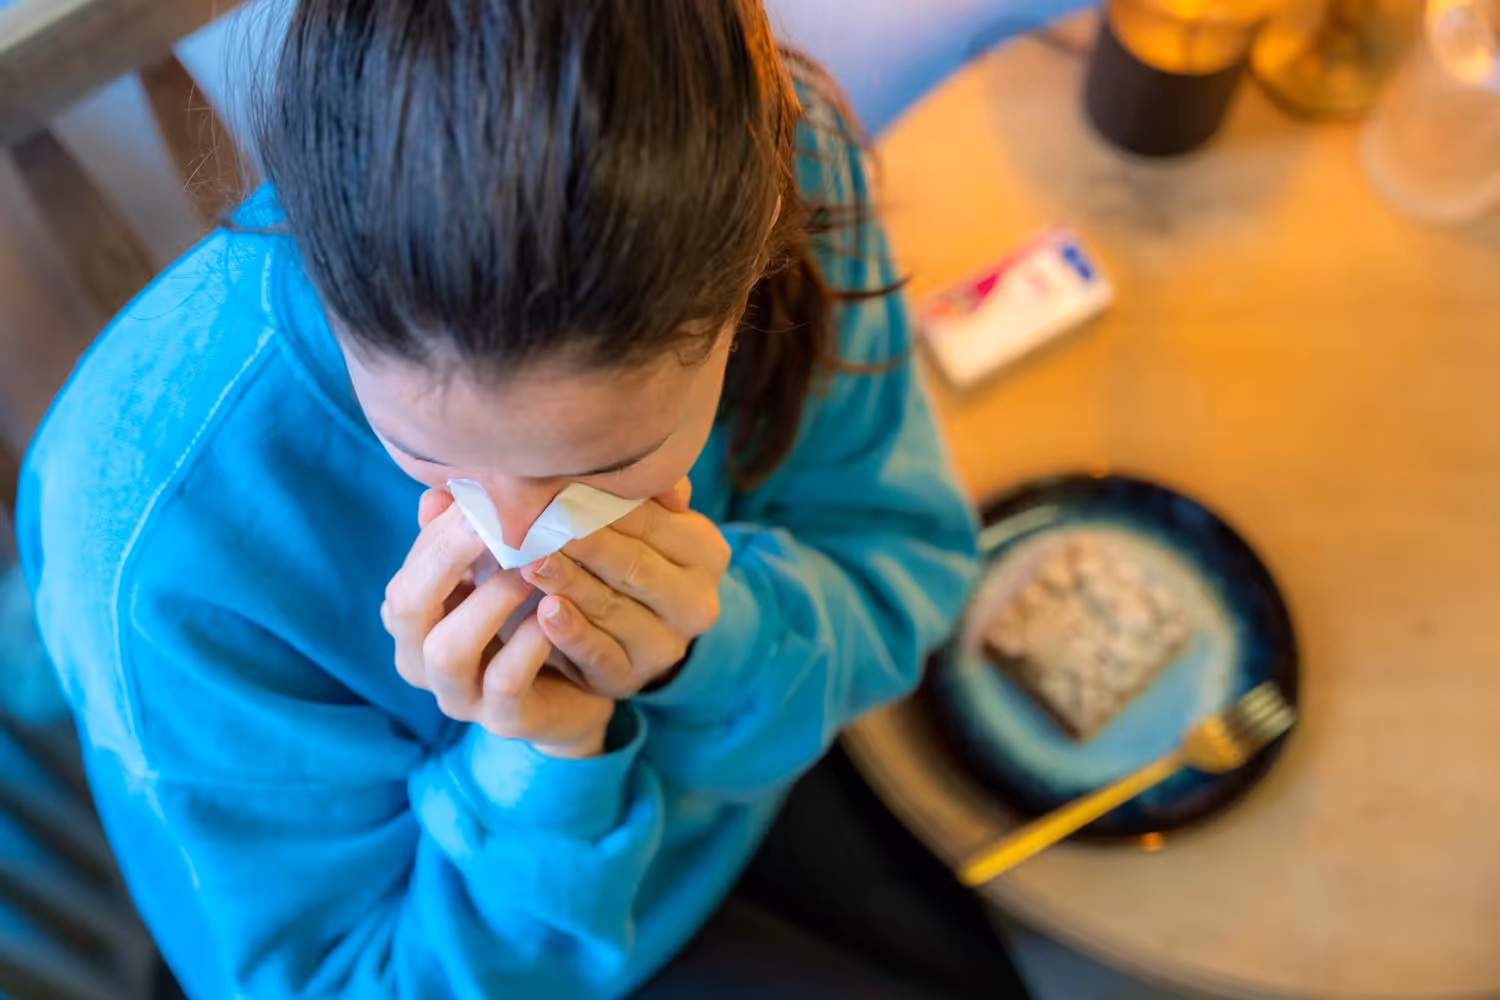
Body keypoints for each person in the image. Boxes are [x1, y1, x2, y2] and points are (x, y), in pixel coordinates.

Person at [16, 1, 1028, 996]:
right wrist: (539, 756)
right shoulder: (147, 537)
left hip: (755, 774)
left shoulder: (788, 170)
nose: (509, 538)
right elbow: (344, 976)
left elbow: (902, 561)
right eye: (422, 450)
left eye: (610, 459)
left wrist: (708, 647)